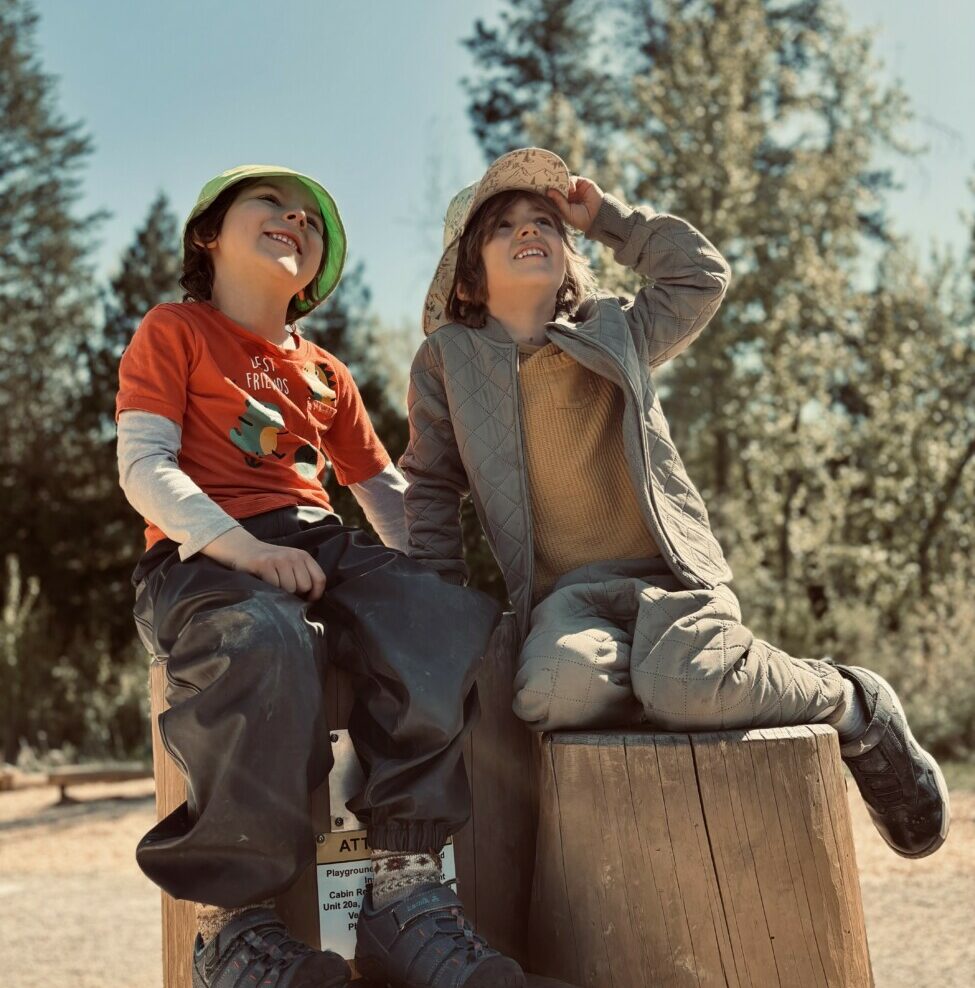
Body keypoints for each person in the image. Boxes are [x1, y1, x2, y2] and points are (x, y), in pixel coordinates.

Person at [400, 147, 950, 861]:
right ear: (469, 278)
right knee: (550, 695)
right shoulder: (445, 359)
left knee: (682, 681)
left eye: (543, 219)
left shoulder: (616, 327)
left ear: (569, 254)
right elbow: (432, 486)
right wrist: (437, 602)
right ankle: (682, 685)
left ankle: (850, 699)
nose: (527, 229)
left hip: (671, 578)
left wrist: (605, 217)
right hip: (567, 598)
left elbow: (701, 275)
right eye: (501, 225)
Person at [116, 164, 525, 988]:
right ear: (209, 235)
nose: (294, 220)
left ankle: (401, 893)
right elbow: (143, 465)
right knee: (261, 635)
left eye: (311, 220)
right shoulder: (174, 329)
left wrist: (436, 592)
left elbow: (381, 493)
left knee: (443, 617)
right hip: (199, 557)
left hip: (317, 543)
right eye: (269, 204)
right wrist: (243, 549)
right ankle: (234, 931)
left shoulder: (324, 372)